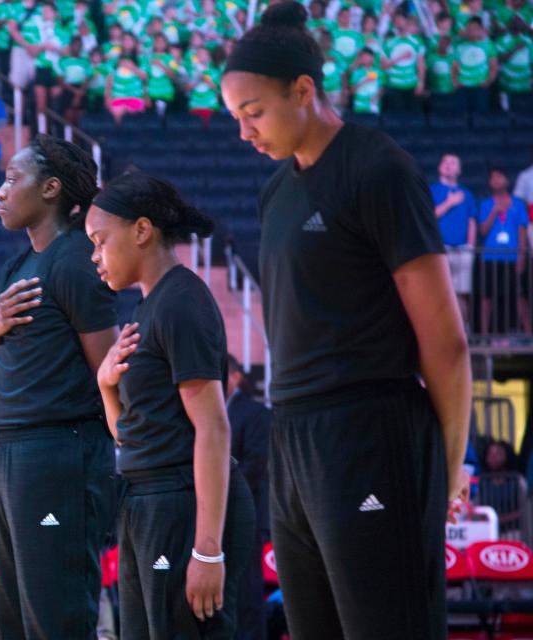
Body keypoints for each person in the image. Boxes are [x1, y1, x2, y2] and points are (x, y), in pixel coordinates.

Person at [220, 3, 471, 637]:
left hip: (371, 431)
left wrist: (447, 465)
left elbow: (446, 343)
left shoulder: (378, 168)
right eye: (235, 118)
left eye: (254, 113)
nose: (244, 133)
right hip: (295, 437)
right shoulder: (275, 191)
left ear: (303, 91)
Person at [84, 171, 255, 639]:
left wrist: (207, 549)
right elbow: (130, 435)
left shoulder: (182, 302)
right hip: (144, 499)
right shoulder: (146, 309)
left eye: (100, 241)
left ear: (142, 230)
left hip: (181, 504)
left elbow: (214, 429)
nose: (95, 257)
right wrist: (106, 387)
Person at [0, 135, 117, 638]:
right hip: (10, 450)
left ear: (51, 189)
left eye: (13, 179)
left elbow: (109, 371)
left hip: (61, 452)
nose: (0, 191)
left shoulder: (78, 259)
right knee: (14, 620)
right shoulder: (16, 267)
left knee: (55, 617)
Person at [225, 356, 270, 640]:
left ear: (236, 376)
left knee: (247, 593)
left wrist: (216, 486)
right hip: (216, 518)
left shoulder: (255, 414)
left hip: (247, 515)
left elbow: (255, 465)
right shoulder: (203, 412)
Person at [478, 168, 530, 335]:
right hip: (490, 257)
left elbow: (522, 230)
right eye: (492, 178)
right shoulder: (486, 204)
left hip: (512, 257)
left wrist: (521, 255)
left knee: (518, 294)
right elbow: (483, 230)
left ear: (507, 180)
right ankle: (484, 334)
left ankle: (528, 333)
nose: (495, 180)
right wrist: (495, 212)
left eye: (499, 176)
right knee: (487, 296)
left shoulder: (518, 204)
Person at [431, 154, 478, 326]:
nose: (448, 165)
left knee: (461, 292)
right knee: (441, 292)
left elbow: (472, 220)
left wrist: (471, 246)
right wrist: (449, 202)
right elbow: (430, 215)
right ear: (439, 167)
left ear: (459, 170)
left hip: (463, 249)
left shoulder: (467, 194)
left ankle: (463, 330)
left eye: (453, 163)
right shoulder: (433, 190)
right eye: (445, 161)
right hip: (441, 248)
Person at [380, 11, 425, 112]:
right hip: (393, 85)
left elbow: (421, 64)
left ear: (407, 21)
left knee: (413, 118)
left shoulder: (417, 41)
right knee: (394, 119)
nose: (398, 22)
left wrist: (420, 83)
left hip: (411, 85)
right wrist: (400, 58)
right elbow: (383, 66)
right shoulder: (388, 42)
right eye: (396, 20)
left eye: (401, 19)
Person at [455, 17, 498, 113]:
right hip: (462, 86)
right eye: (469, 29)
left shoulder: (489, 45)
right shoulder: (460, 45)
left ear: (481, 30)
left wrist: (488, 82)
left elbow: (494, 66)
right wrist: (455, 81)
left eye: (474, 29)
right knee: (460, 118)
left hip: (481, 86)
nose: (471, 31)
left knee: (481, 118)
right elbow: (455, 66)